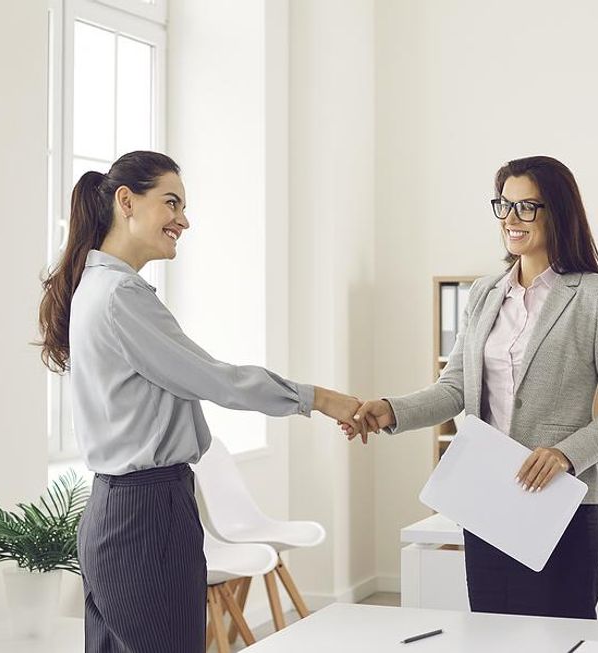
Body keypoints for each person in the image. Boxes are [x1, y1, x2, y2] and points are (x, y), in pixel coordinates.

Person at [37, 150, 365, 652]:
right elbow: (216, 380)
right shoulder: (121, 296)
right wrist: (318, 398)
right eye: (171, 203)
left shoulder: (95, 287)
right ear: (127, 201)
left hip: (112, 512)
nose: (183, 221)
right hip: (148, 514)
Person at [346, 155, 598, 619]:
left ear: (558, 212)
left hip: (559, 506)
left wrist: (566, 453)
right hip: (487, 502)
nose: (510, 219)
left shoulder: (595, 296)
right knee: (491, 633)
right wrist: (391, 409)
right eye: (504, 205)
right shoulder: (485, 293)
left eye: (527, 207)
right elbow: (454, 388)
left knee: (560, 637)